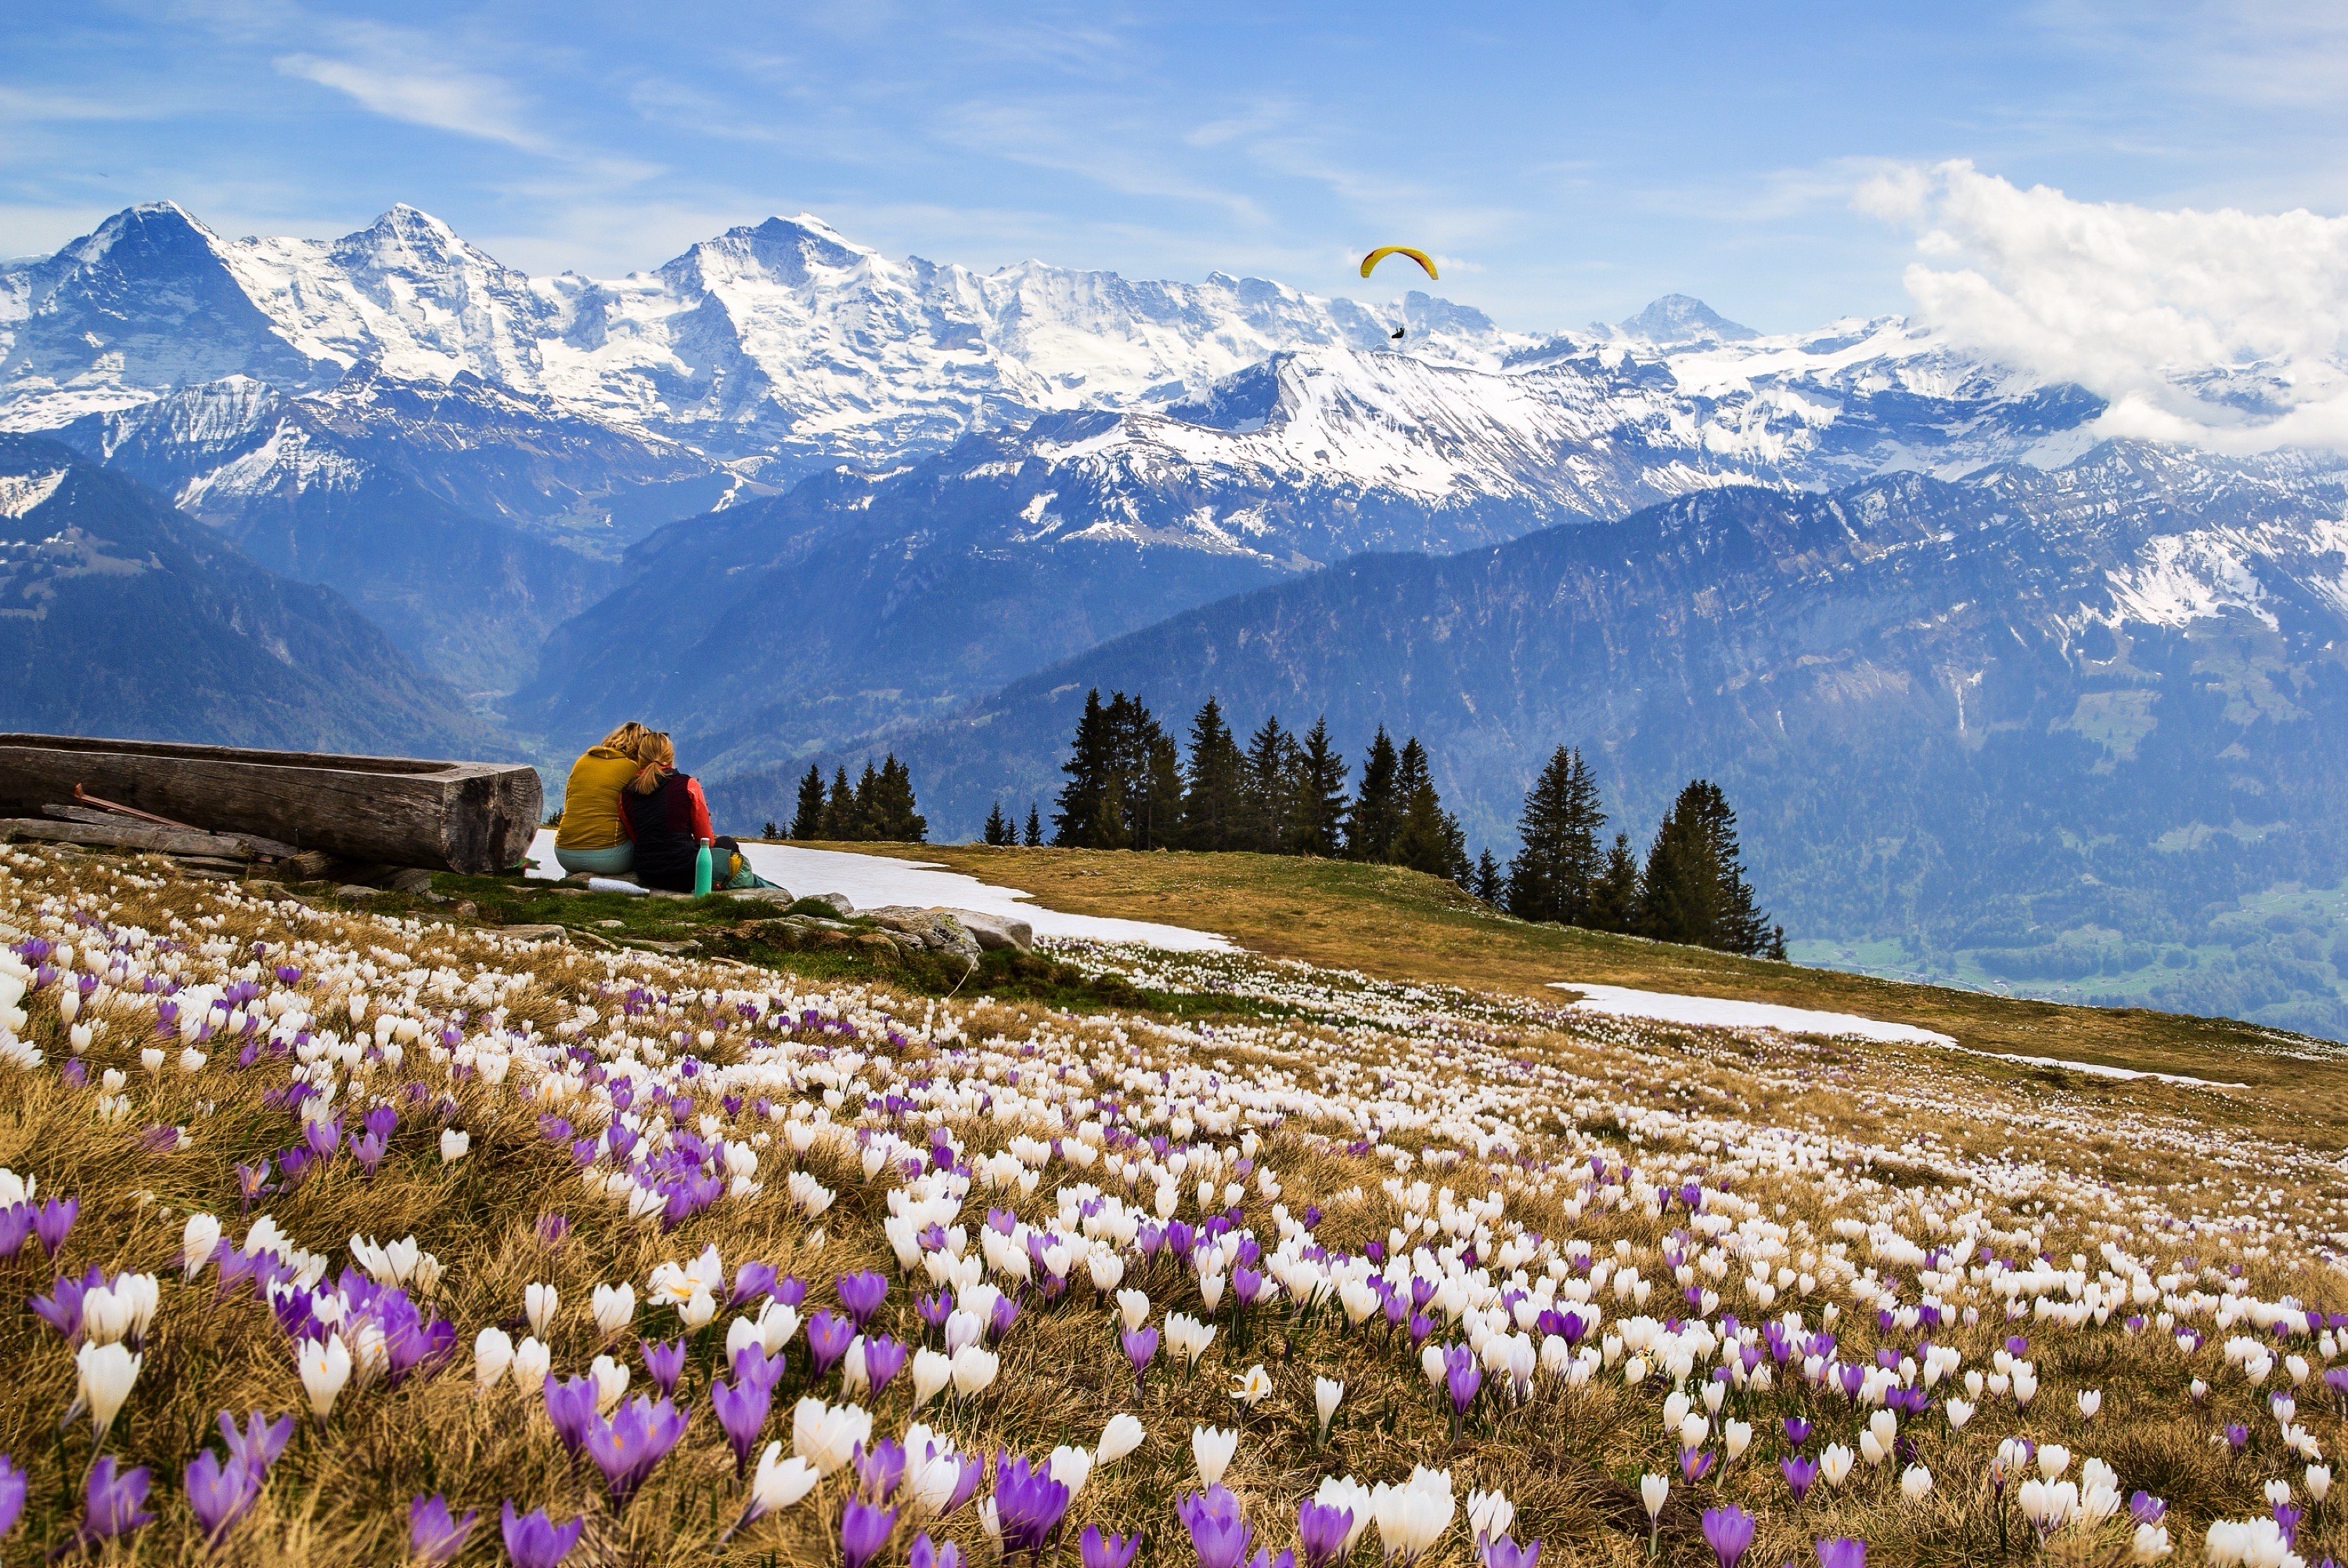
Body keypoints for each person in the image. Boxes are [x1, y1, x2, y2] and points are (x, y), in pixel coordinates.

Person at [618, 731, 772, 892]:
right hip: (686, 873)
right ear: (670, 756)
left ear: (640, 758)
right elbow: (706, 840)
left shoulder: (625, 794)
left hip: (648, 873)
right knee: (727, 844)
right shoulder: (688, 785)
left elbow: (635, 837)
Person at [553, 722, 652, 876]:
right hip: (610, 857)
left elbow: (568, 803)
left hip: (564, 854)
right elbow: (641, 818)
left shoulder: (582, 761)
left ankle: (574, 881)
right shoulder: (633, 769)